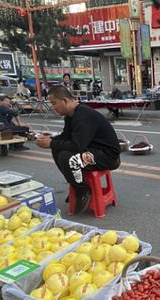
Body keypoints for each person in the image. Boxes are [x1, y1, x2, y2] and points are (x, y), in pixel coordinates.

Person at [35, 85, 121, 214]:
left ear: (64, 100)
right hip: (92, 151)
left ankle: (83, 189)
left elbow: (76, 146)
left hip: (107, 157)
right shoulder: (70, 116)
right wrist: (51, 139)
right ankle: (76, 185)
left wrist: (52, 143)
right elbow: (66, 137)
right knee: (57, 150)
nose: (53, 107)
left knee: (66, 157)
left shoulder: (83, 115)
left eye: (54, 103)